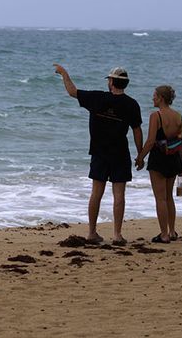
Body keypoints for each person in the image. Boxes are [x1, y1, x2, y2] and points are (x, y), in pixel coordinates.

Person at [54, 63, 143, 245]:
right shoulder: (131, 104)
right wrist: (140, 154)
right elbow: (137, 130)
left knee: (96, 193)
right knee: (119, 195)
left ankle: (92, 232)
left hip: (99, 152)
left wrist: (64, 73)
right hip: (120, 153)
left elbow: (72, 92)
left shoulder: (97, 98)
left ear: (111, 82)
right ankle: (117, 235)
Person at [135, 85, 182, 243]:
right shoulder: (179, 117)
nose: (153, 98)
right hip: (174, 158)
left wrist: (140, 157)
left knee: (160, 198)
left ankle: (163, 234)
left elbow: (150, 141)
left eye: (154, 95)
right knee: (169, 197)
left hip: (159, 159)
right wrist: (180, 165)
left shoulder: (156, 116)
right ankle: (172, 232)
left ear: (161, 98)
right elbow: (180, 143)